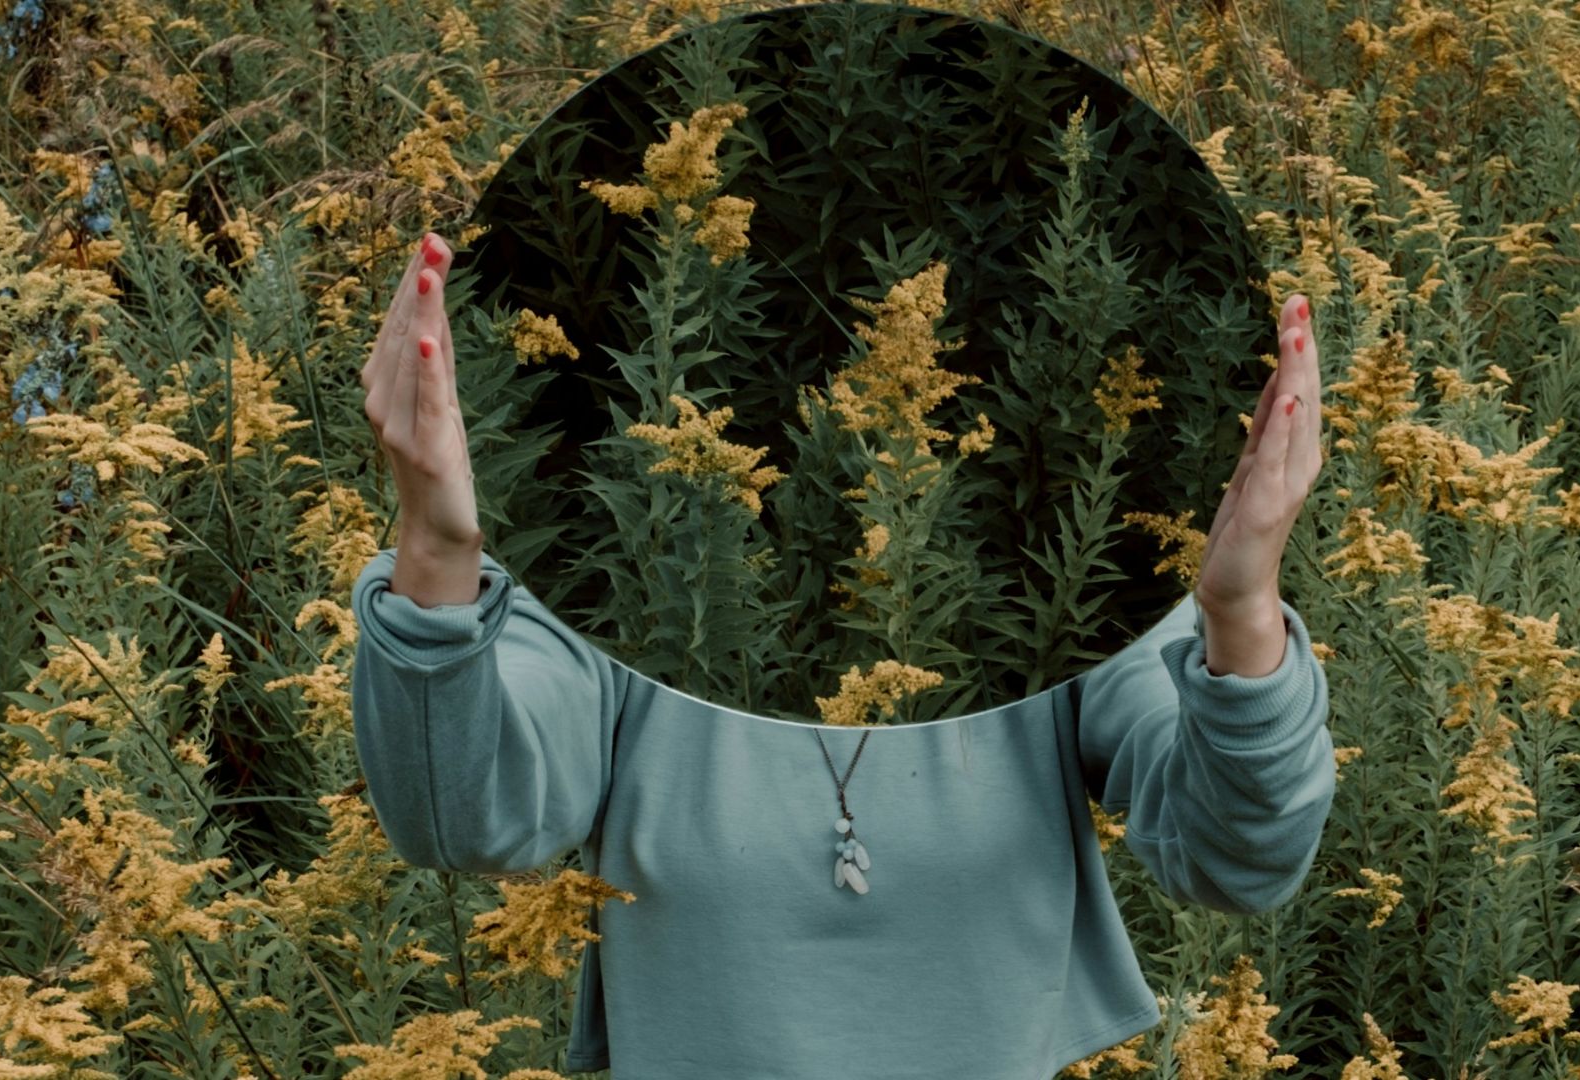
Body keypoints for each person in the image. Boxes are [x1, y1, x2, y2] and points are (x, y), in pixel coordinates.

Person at [350, 230, 1335, 1079]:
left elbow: (1237, 860)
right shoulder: (622, 570)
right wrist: (434, 549)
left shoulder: (1062, 598)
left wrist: (1241, 612)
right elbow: (464, 821)